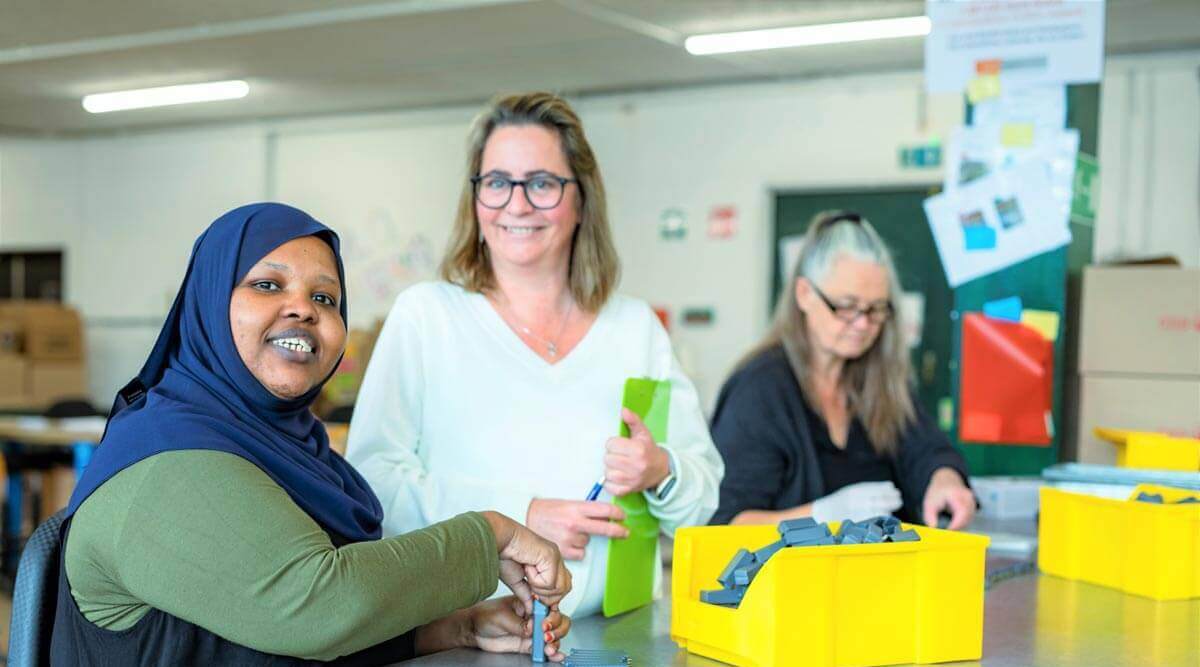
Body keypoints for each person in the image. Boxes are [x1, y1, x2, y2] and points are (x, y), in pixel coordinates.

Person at [50, 203, 570, 667]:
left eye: (325, 298)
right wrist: (490, 535)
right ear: (206, 304)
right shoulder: (164, 459)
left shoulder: (298, 456)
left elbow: (268, 647)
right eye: (267, 285)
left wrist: (452, 628)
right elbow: (318, 605)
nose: (302, 308)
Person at [346, 92, 722, 618]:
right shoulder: (428, 316)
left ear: (581, 199)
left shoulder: (634, 328)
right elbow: (373, 485)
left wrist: (661, 470)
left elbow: (701, 502)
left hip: (611, 642)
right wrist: (519, 518)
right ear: (475, 200)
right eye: (497, 183)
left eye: (542, 183)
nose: (517, 205)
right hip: (461, 643)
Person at [709, 211, 975, 529]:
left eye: (876, 308)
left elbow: (925, 449)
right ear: (804, 294)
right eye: (847, 306)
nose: (863, 324)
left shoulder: (878, 376)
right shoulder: (760, 391)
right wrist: (820, 516)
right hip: (788, 576)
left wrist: (944, 480)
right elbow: (727, 524)